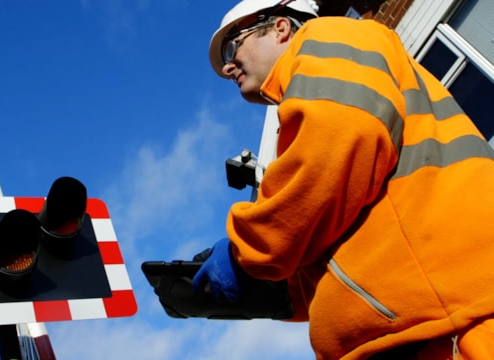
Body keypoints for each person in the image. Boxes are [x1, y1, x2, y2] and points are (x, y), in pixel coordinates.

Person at [191, 0, 494, 358]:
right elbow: (332, 255)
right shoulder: (312, 95)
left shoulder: (327, 35)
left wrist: (246, 249)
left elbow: (339, 137)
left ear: (279, 28)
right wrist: (270, 291)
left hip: (455, 326)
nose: (228, 67)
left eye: (232, 45)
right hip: (430, 323)